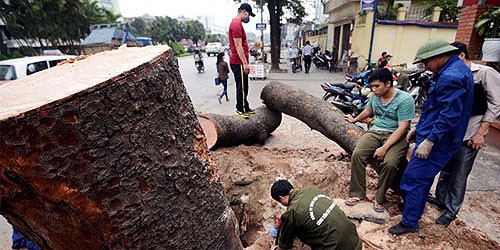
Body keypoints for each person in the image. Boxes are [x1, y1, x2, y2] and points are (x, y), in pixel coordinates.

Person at [388, 39, 474, 235]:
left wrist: (430, 140)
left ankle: (409, 222)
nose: (425, 66)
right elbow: (437, 108)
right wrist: (419, 130)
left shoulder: (451, 77)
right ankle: (414, 208)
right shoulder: (455, 69)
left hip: (440, 140)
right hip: (437, 134)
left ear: (439, 56)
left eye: (426, 62)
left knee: (413, 179)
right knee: (423, 177)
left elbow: (449, 115)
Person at [427, 42, 500, 227]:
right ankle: (441, 199)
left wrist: (481, 132)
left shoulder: (484, 73)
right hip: (451, 132)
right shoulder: (449, 74)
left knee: (459, 174)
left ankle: (451, 211)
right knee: (446, 168)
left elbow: (496, 104)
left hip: (470, 131)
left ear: (460, 56)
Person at [345, 68, 416, 213]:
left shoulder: (404, 99)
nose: (374, 89)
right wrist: (355, 119)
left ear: (388, 83)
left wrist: (384, 148)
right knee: (357, 154)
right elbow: (368, 111)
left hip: (396, 135)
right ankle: (357, 193)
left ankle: (379, 197)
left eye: (377, 86)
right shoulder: (374, 96)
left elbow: (402, 128)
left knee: (390, 163)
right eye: (371, 86)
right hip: (376, 131)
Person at [270, 180, 361, 250]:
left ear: (281, 198)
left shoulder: (292, 212)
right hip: (356, 242)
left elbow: (284, 245)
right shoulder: (312, 189)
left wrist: (281, 227)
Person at [228, 3, 255, 119]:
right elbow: (238, 46)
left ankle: (245, 106)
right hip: (238, 62)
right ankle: (240, 109)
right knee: (242, 87)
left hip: (239, 61)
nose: (248, 17)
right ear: (244, 12)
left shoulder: (237, 24)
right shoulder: (236, 24)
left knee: (244, 86)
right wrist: (245, 63)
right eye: (248, 14)